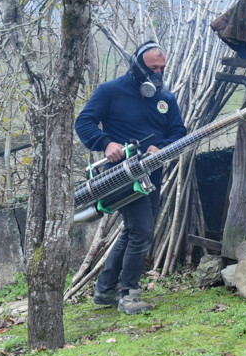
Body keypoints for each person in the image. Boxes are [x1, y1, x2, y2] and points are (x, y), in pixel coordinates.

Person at [75, 41, 187, 314]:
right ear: (137, 65)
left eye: (162, 68)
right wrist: (106, 143)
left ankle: (104, 290)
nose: (158, 73)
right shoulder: (110, 91)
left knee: (134, 230)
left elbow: (179, 133)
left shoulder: (165, 98)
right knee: (143, 230)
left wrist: (161, 147)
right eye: (153, 68)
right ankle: (130, 294)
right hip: (122, 175)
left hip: (153, 173)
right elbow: (84, 122)